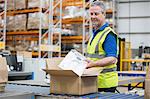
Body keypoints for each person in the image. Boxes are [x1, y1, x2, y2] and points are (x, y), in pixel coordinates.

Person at [86, 1, 119, 92]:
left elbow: (112, 58)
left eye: (96, 14)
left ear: (104, 14)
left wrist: (93, 64)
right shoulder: (94, 34)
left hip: (105, 83)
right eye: (91, 14)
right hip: (94, 81)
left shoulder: (108, 34)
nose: (93, 17)